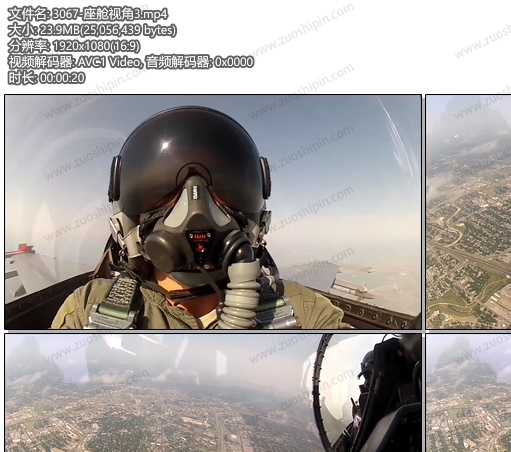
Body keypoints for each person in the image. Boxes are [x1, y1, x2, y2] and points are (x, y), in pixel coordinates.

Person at [51, 106, 345, 329]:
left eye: (225, 187)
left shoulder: (306, 314)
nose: (196, 206)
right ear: (126, 222)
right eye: (160, 189)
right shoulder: (88, 311)